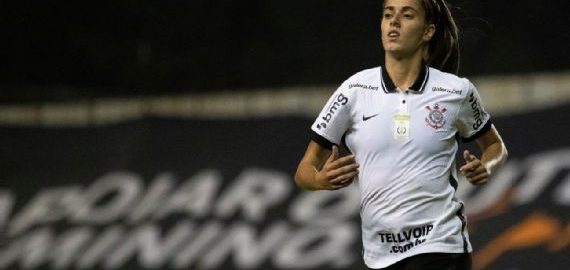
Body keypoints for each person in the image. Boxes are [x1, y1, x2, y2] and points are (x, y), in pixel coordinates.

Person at [294, 0, 508, 269]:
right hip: (379, 255)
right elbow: (304, 170)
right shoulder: (355, 90)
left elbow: (495, 147)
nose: (394, 22)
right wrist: (319, 179)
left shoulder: (456, 91)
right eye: (388, 15)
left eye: (407, 15)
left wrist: (487, 166)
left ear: (427, 31)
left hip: (440, 246)